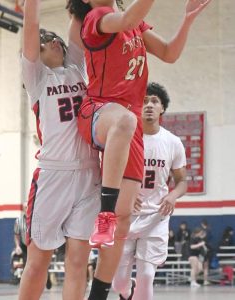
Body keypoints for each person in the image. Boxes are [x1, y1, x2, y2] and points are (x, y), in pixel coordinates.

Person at [66, 1, 211, 298]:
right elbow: (131, 14)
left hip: (128, 125)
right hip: (99, 110)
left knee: (123, 221)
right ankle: (103, 213)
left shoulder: (135, 25)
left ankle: (99, 294)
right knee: (123, 119)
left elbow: (170, 53)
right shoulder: (97, 18)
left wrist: (187, 20)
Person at [18, 0, 101, 299]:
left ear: (55, 44)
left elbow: (78, 16)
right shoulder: (37, 79)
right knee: (38, 261)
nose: (29, 55)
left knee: (78, 262)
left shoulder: (78, 67)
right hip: (53, 175)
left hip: (90, 174)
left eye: (37, 49)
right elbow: (30, 27)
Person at [111, 82, 187, 300]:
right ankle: (126, 293)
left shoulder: (172, 142)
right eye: (144, 101)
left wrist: (172, 196)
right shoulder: (124, 136)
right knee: (119, 283)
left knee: (146, 274)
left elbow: (182, 181)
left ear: (162, 108)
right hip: (126, 214)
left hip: (157, 215)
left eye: (155, 101)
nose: (149, 105)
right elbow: (107, 175)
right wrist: (125, 193)